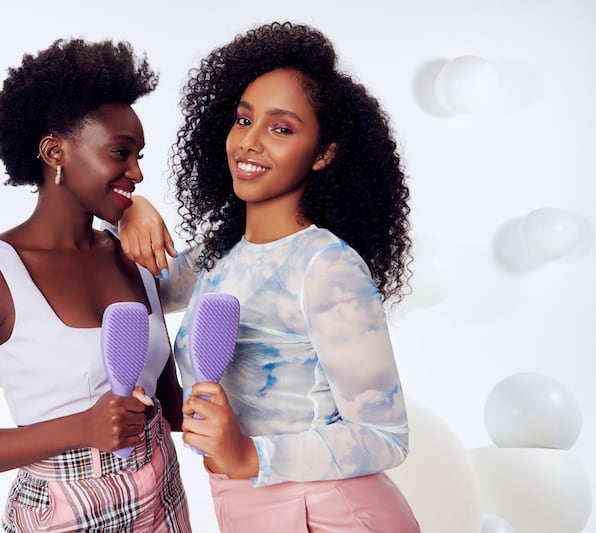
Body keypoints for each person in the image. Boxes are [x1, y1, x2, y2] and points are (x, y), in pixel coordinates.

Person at [117, 21, 419, 532]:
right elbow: (137, 280)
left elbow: (385, 435)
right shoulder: (220, 254)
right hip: (244, 508)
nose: (249, 143)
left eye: (281, 129)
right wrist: (129, 207)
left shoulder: (326, 266)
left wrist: (251, 455)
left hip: (330, 514)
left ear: (323, 153)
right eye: (243, 120)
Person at [0, 38, 190, 533]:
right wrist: (81, 427)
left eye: (139, 155)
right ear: (53, 151)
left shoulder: (134, 256)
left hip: (162, 495)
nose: (138, 172)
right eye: (120, 153)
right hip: (65, 511)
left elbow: (167, 402)